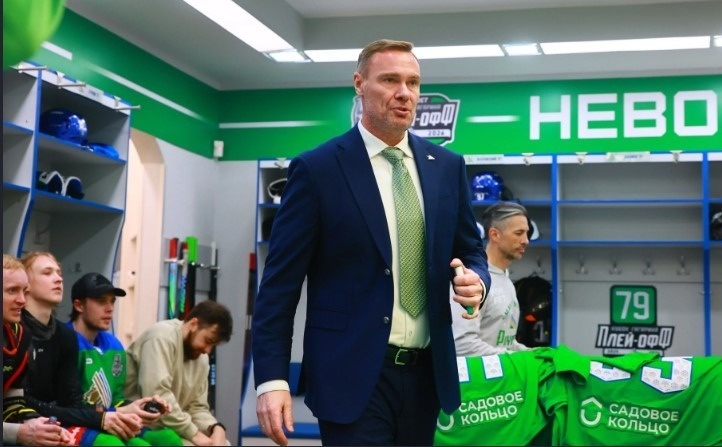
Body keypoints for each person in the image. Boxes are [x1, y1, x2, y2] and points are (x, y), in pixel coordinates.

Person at [252, 38, 491, 446]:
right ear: (360, 84)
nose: (404, 93)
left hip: (426, 375)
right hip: (350, 374)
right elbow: (279, 286)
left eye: (413, 82)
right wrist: (272, 379)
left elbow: (469, 248)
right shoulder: (318, 169)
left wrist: (477, 282)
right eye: (390, 80)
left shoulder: (446, 167)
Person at [21, 251, 144, 446]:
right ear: (25, 285)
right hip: (22, 423)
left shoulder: (65, 335)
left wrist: (114, 413)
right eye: (47, 273)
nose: (58, 278)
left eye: (59, 273)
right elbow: (21, 401)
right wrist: (102, 418)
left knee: (152, 440)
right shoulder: (15, 331)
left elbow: (71, 402)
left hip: (58, 421)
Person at [67, 272, 181, 446]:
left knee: (168, 439)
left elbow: (117, 398)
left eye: (112, 301)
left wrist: (141, 406)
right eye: (101, 301)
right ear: (79, 305)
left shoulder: (114, 345)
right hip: (78, 422)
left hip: (112, 417)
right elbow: (67, 405)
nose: (110, 308)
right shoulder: (66, 342)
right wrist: (117, 412)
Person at [124, 300, 233, 446]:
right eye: (208, 341)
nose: (208, 350)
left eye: (213, 345)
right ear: (193, 324)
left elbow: (197, 407)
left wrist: (215, 428)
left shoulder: (202, 358)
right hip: (140, 427)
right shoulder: (161, 337)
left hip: (173, 428)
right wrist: (193, 434)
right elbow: (158, 396)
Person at [3, 254, 69, 446]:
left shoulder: (19, 336)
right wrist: (19, 433)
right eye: (12, 291)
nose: (22, 300)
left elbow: (12, 403)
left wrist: (37, 425)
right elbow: (18, 434)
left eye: (24, 291)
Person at [452, 202, 532, 356]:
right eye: (519, 233)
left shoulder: (506, 280)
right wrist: (518, 361)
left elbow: (506, 343)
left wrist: (534, 354)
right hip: (476, 372)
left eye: (526, 233)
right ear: (495, 234)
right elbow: (462, 344)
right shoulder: (471, 280)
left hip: (500, 371)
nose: (525, 240)